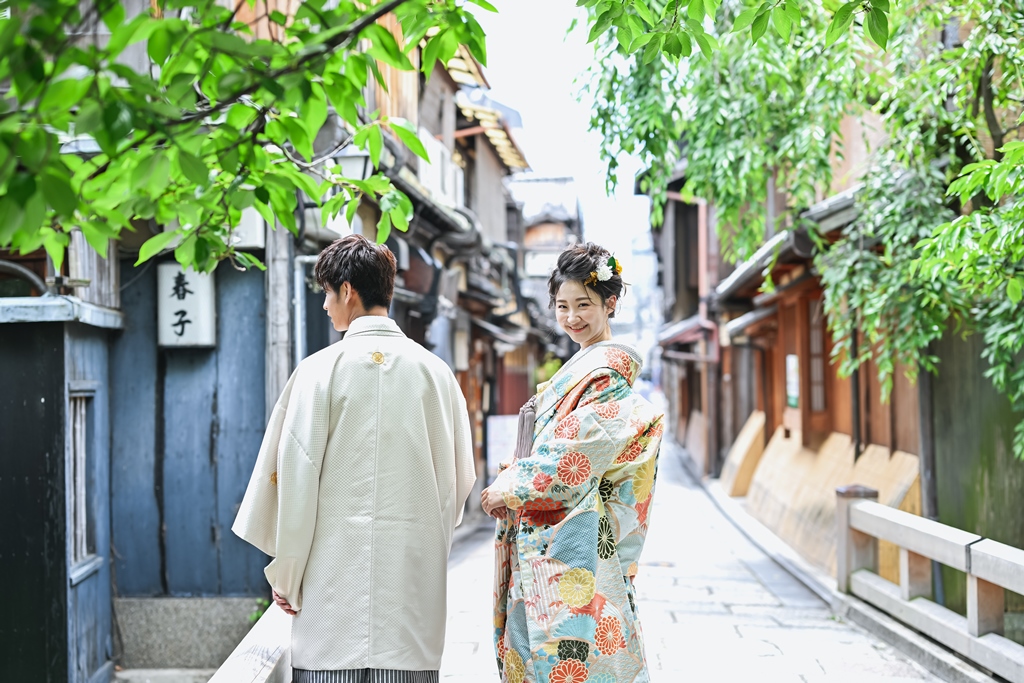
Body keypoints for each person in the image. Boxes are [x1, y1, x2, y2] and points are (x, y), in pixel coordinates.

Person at [232, 234, 476, 683]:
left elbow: (296, 484)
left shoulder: (318, 371)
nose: (326, 306)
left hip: (331, 608)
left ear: (347, 291)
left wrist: (286, 577)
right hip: (411, 606)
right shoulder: (437, 374)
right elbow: (458, 483)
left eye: (327, 293)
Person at [481, 243, 664, 683]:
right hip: (554, 535)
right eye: (563, 306)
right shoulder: (583, 369)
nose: (572, 317)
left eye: (584, 304)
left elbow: (572, 459)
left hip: (572, 542)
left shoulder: (605, 377)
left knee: (571, 652)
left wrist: (511, 485)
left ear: (610, 303)